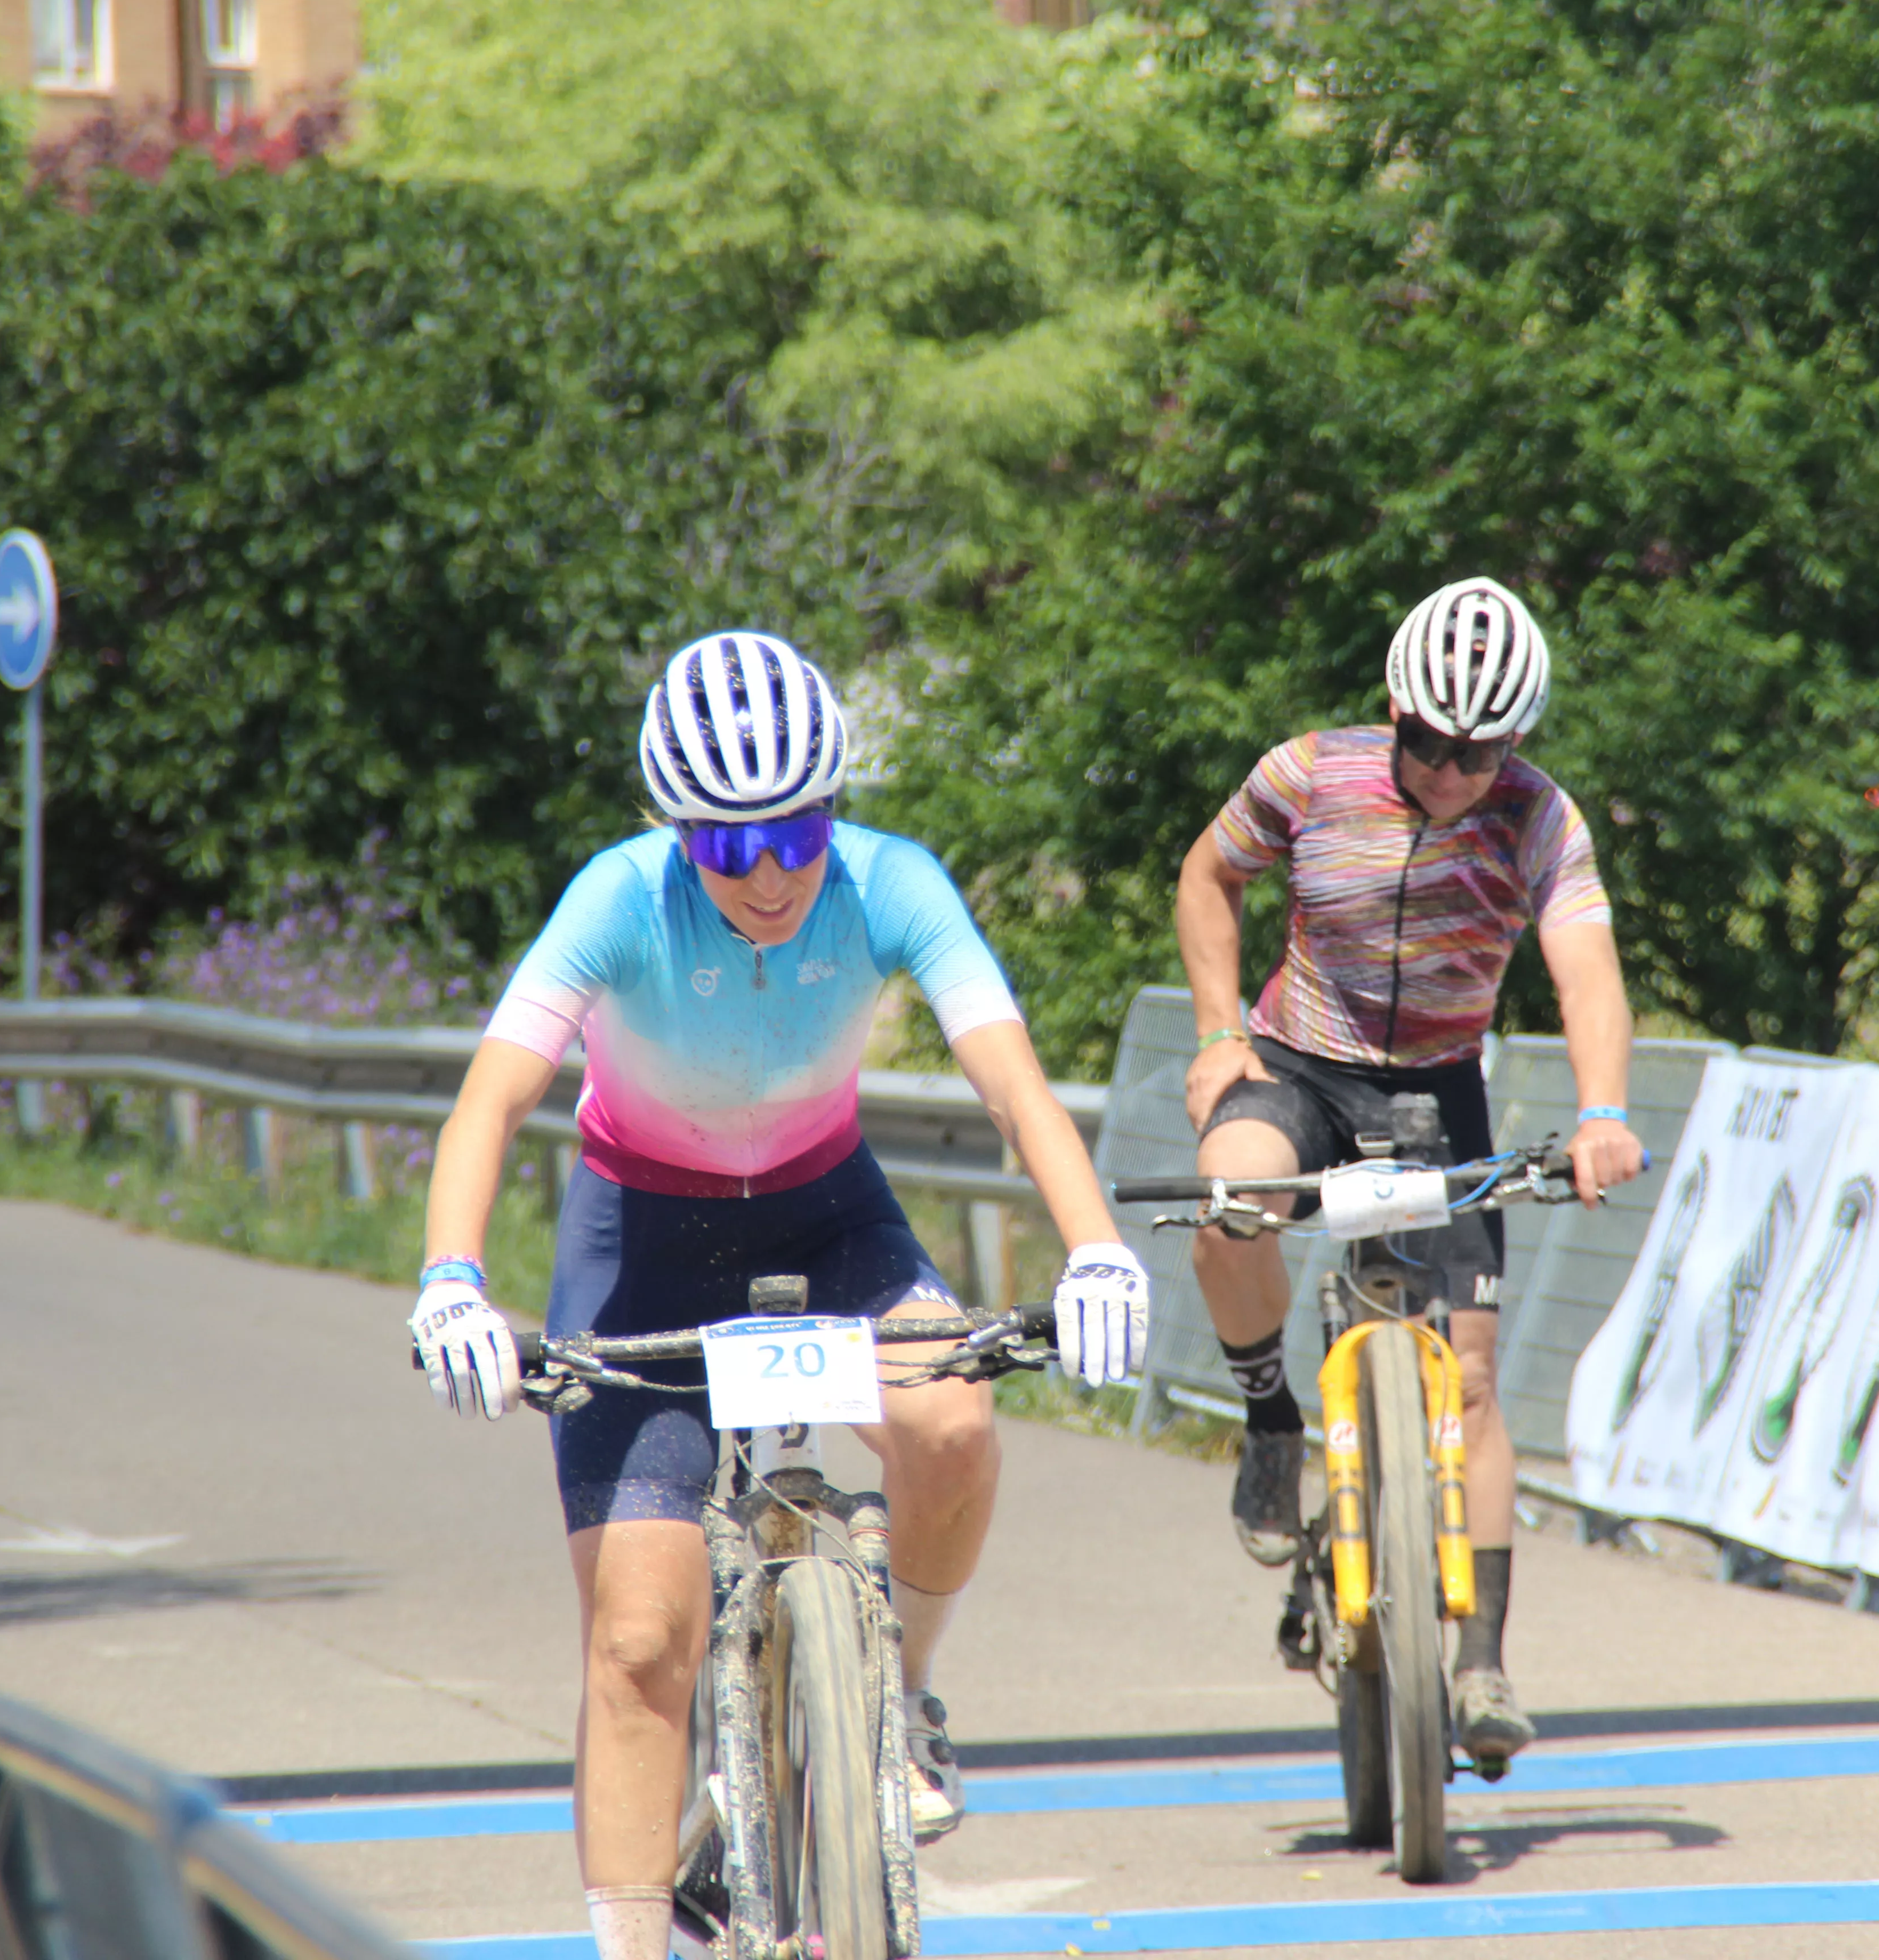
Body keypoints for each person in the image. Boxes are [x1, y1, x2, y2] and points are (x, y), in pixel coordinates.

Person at [409, 630, 1149, 1960]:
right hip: (640, 1232)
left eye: (797, 832)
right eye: (724, 846)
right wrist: (452, 1283)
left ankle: (903, 1694)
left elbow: (1016, 1088)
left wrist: (1094, 1248)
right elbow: (491, 1097)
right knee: (639, 1645)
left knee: (955, 1424)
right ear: (674, 836)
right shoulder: (617, 897)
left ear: (835, 811)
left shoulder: (895, 884)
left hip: (827, 1210)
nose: (767, 874)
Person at [1173, 576, 1645, 1767]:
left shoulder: (1540, 818)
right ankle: (1274, 1422)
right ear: (1394, 708)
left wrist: (1601, 1113)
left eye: (1478, 756)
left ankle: (1481, 1662)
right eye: (1427, 744)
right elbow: (1206, 876)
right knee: (1234, 1198)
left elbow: (1586, 969)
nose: (1447, 774)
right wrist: (1218, 1030)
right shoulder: (1305, 773)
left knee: (1472, 1380)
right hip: (1298, 1060)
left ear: (1516, 746)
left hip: (1438, 1087)